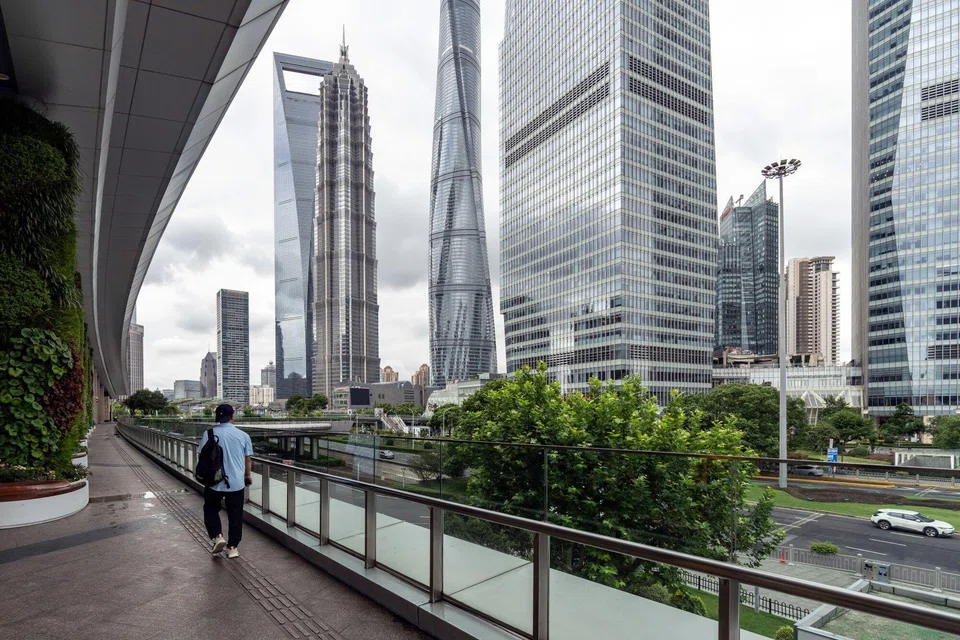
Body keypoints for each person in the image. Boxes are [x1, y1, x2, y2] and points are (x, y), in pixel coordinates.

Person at [198, 403, 253, 558]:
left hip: (214, 482)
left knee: (210, 509)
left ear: (217, 417)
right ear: (232, 417)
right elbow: (247, 460)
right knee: (235, 515)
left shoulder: (208, 434)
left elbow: (201, 457)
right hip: (236, 482)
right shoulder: (243, 435)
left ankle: (217, 536)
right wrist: (247, 475)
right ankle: (233, 547)